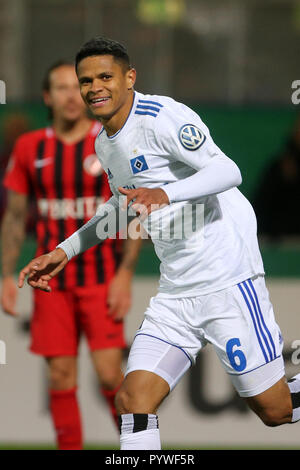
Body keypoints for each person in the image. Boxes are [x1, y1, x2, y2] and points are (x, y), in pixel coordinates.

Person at [18, 37, 300, 451]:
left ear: (129, 78)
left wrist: (165, 194)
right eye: (86, 81)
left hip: (227, 277)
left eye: (105, 77)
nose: (94, 87)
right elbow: (123, 206)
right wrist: (66, 250)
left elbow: (228, 170)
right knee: (133, 399)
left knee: (274, 410)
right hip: (175, 292)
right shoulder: (104, 143)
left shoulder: (163, 116)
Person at [1, 60, 141, 450]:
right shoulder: (30, 147)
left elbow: (134, 210)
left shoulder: (112, 140)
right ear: (47, 97)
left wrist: (126, 274)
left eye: (74, 86)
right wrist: (7, 274)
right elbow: (14, 217)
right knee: (60, 377)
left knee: (111, 376)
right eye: (60, 88)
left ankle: (136, 449)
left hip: (100, 277)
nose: (70, 94)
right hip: (51, 285)